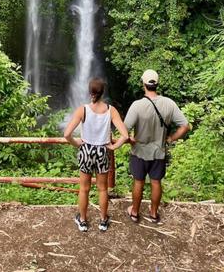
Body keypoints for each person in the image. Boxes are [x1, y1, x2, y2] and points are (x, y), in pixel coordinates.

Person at [124, 69, 189, 224]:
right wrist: (171, 138)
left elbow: (124, 130)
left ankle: (134, 212)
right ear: (157, 84)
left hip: (139, 151)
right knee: (155, 182)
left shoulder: (137, 105)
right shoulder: (169, 103)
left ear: (143, 84)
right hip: (159, 151)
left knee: (138, 182)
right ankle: (153, 213)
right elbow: (185, 126)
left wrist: (131, 139)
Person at [64, 77, 128, 232]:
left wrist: (77, 143)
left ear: (90, 92)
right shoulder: (111, 110)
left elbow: (67, 134)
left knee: (84, 188)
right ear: (102, 92)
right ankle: (103, 220)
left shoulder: (83, 110)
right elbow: (125, 135)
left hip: (86, 150)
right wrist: (113, 147)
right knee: (102, 189)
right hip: (102, 151)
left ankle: (83, 221)